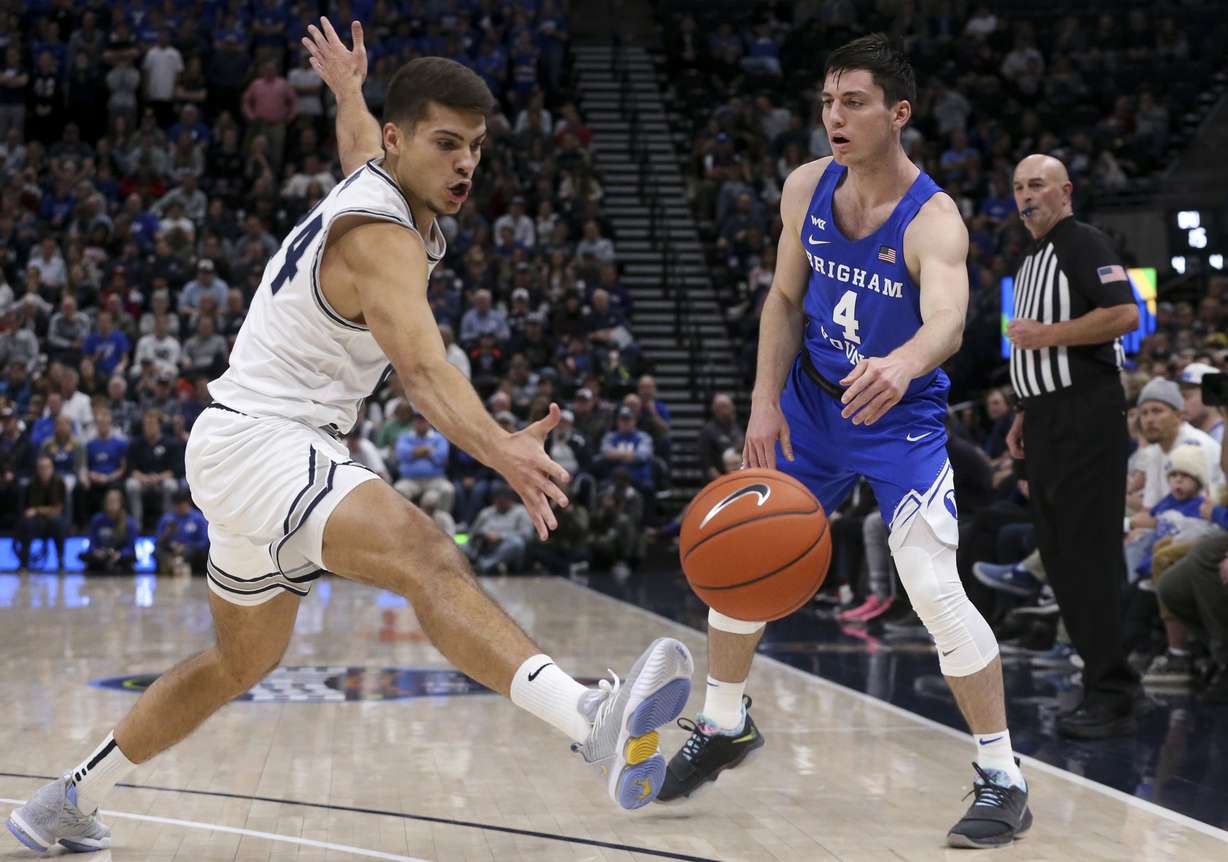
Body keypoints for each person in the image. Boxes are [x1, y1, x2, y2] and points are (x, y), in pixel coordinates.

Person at [5, 21, 692, 855]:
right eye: (447, 144)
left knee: (237, 663)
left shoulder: (376, 176)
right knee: (427, 554)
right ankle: (589, 718)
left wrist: (346, 92)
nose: (466, 163)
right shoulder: (381, 239)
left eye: (475, 146)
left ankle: (65, 803)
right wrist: (503, 449)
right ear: (407, 144)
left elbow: (360, 141)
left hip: (245, 446)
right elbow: (425, 374)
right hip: (267, 439)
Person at [657, 35, 1029, 849]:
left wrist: (901, 364)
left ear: (898, 113)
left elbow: (949, 319)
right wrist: (763, 400)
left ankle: (1004, 778)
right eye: (828, 102)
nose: (835, 116)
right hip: (811, 410)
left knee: (932, 588)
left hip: (899, 421)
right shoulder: (806, 186)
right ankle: (723, 724)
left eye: (853, 101)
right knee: (735, 554)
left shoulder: (933, 219)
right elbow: (784, 302)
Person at [1003, 153, 1142, 738]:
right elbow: (1036, 353)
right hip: (1046, 418)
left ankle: (1115, 690)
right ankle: (1098, 681)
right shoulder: (1031, 257)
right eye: (1017, 187)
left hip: (1087, 415)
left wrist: (1046, 336)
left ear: (1065, 191)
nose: (1026, 195)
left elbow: (1125, 314)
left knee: (1089, 555)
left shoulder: (1081, 242)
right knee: (1061, 558)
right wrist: (1022, 410)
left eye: (1037, 184)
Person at [14, 455, 67, 570]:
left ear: (52, 468)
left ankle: (61, 561)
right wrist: (43, 510)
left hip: (53, 520)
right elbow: (27, 510)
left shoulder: (59, 483)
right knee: (26, 523)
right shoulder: (31, 484)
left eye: (47, 467)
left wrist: (38, 510)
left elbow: (57, 509)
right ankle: (24, 562)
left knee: (57, 524)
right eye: (41, 468)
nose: (44, 470)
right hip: (37, 521)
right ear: (37, 469)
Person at [80, 488, 138, 574]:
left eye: (114, 501)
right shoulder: (97, 520)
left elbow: (130, 548)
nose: (111, 504)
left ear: (121, 503)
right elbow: (92, 543)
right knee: (83, 556)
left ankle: (115, 567)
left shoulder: (129, 522)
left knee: (130, 558)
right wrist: (96, 552)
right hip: (102, 555)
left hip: (119, 556)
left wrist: (119, 554)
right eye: (109, 501)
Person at [154, 489, 209, 575]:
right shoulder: (166, 519)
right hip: (171, 549)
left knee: (196, 552)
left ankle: (181, 566)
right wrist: (167, 533)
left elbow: (204, 541)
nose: (180, 507)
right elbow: (157, 542)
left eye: (182, 504)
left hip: (190, 550)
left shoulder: (198, 518)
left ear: (188, 503)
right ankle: (171, 565)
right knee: (157, 552)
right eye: (177, 504)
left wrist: (186, 547)